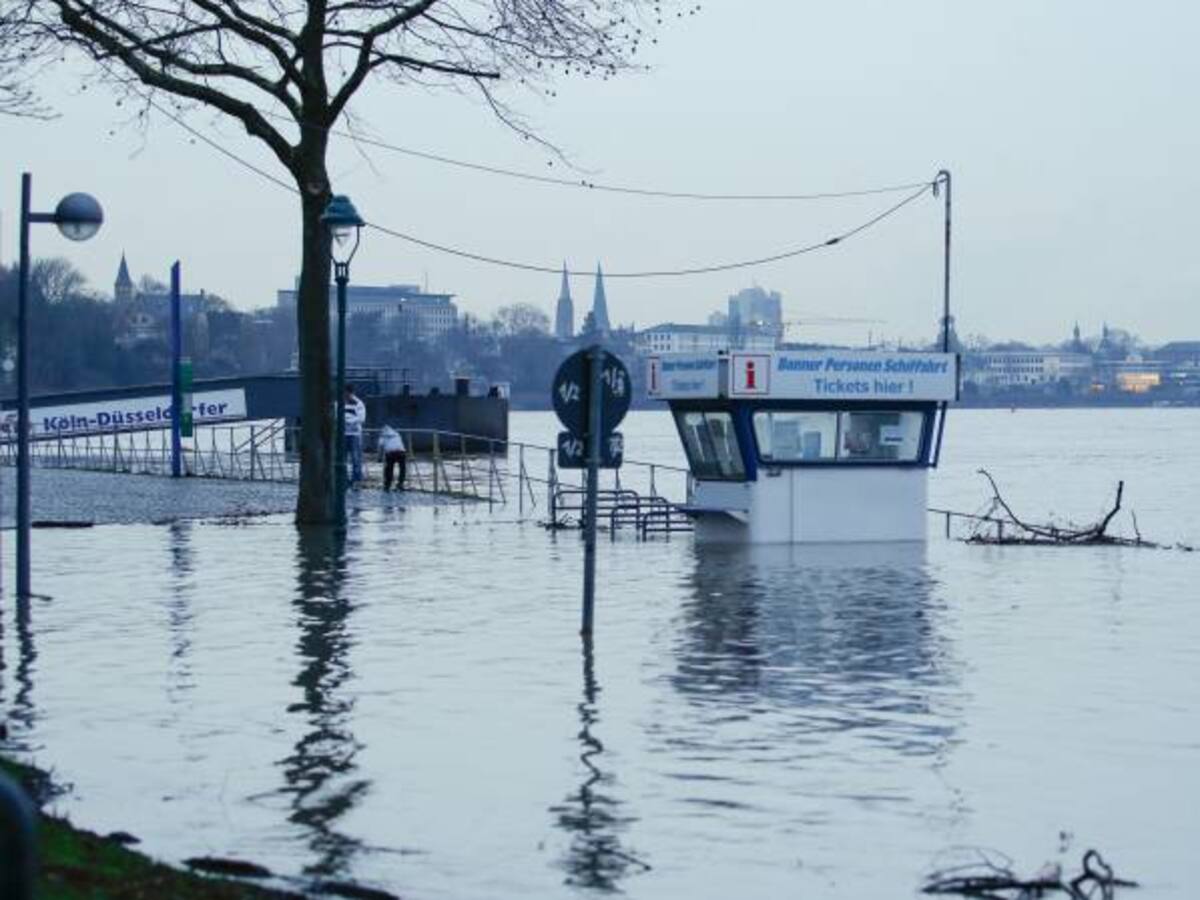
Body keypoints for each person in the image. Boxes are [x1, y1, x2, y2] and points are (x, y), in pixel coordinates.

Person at [343, 385, 366, 485]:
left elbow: (361, 418)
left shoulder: (358, 403)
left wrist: (347, 421)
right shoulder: (339, 402)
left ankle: (356, 479)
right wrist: (351, 420)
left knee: (355, 457)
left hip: (354, 434)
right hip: (343, 434)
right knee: (342, 458)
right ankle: (344, 478)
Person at [378, 424, 407, 491]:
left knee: (389, 468)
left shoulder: (383, 436)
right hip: (401, 452)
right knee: (402, 468)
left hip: (390, 453)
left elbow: (380, 447)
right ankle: (401, 483)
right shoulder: (397, 434)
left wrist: (379, 458)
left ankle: (387, 484)